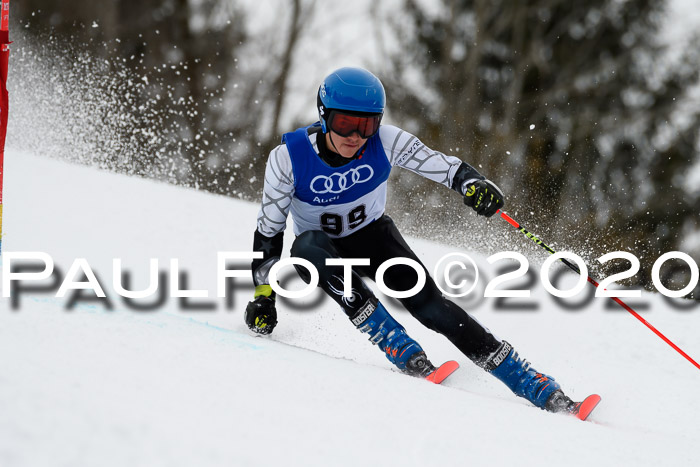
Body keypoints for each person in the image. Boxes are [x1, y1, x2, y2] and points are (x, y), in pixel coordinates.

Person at [246, 67, 579, 414]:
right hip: (322, 253)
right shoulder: (288, 159)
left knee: (433, 308)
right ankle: (394, 341)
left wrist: (471, 184)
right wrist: (264, 296)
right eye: (345, 123)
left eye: (367, 125)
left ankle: (530, 382)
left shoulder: (386, 141)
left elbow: (444, 167)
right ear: (324, 114)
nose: (356, 136)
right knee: (306, 246)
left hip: (374, 240)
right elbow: (269, 232)